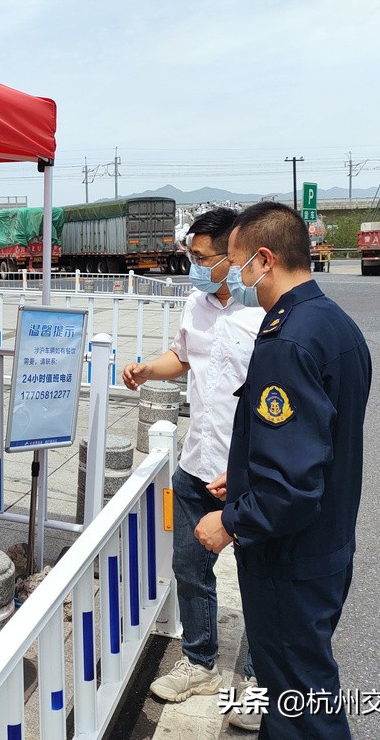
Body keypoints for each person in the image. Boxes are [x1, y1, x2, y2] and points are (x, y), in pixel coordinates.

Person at [195, 202, 371, 738]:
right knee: (299, 691)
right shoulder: (335, 324)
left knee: (301, 705)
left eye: (236, 260)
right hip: (328, 545)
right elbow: (318, 445)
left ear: (265, 260)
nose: (231, 274)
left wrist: (230, 522)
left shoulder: (285, 342)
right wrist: (246, 477)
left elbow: (291, 489)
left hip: (290, 560)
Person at [123, 207, 266, 730]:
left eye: (202, 257)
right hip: (197, 461)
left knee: (258, 575)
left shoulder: (267, 311)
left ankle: (258, 675)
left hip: (249, 471)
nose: (194, 266)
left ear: (234, 254)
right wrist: (145, 368)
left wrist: (258, 471)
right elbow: (183, 357)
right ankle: (201, 660)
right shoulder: (196, 302)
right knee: (189, 564)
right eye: (192, 256)